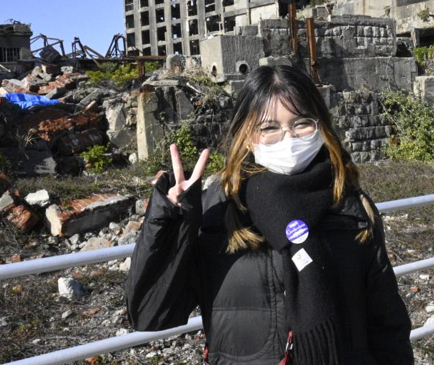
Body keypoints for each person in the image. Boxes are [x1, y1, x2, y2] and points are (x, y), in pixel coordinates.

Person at [126, 65, 413, 365]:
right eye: (269, 127)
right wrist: (170, 221)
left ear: (321, 126)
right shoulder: (220, 211)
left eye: (301, 123)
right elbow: (150, 314)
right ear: (247, 135)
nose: (288, 138)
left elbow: (387, 325)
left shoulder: (351, 207)